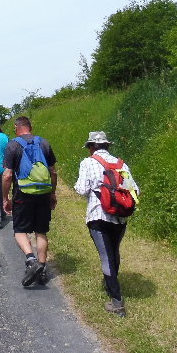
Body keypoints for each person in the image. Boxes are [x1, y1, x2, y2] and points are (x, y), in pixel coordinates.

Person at [74, 131, 139, 318]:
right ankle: (109, 283)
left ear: (91, 147)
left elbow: (81, 189)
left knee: (106, 257)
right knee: (114, 251)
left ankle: (117, 302)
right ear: (107, 146)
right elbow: (135, 190)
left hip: (98, 216)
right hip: (120, 217)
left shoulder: (87, 163)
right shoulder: (121, 164)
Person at [2, 116, 58, 287]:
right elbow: (53, 172)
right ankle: (41, 269)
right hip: (43, 192)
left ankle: (31, 260)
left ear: (16, 128)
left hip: (22, 194)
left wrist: (5, 198)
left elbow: (7, 175)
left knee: (19, 230)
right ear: (30, 127)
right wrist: (52, 193)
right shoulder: (44, 143)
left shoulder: (12, 145)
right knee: (41, 231)